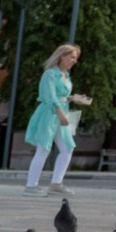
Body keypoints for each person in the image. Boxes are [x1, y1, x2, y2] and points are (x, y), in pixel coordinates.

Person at [22, 44, 87, 189]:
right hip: (49, 113)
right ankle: (31, 185)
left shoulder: (66, 75)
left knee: (67, 148)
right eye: (72, 57)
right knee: (43, 149)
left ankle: (56, 183)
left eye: (75, 58)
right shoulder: (50, 74)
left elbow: (60, 95)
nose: (74, 61)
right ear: (62, 56)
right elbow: (49, 96)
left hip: (61, 111)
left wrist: (73, 98)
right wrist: (60, 114)